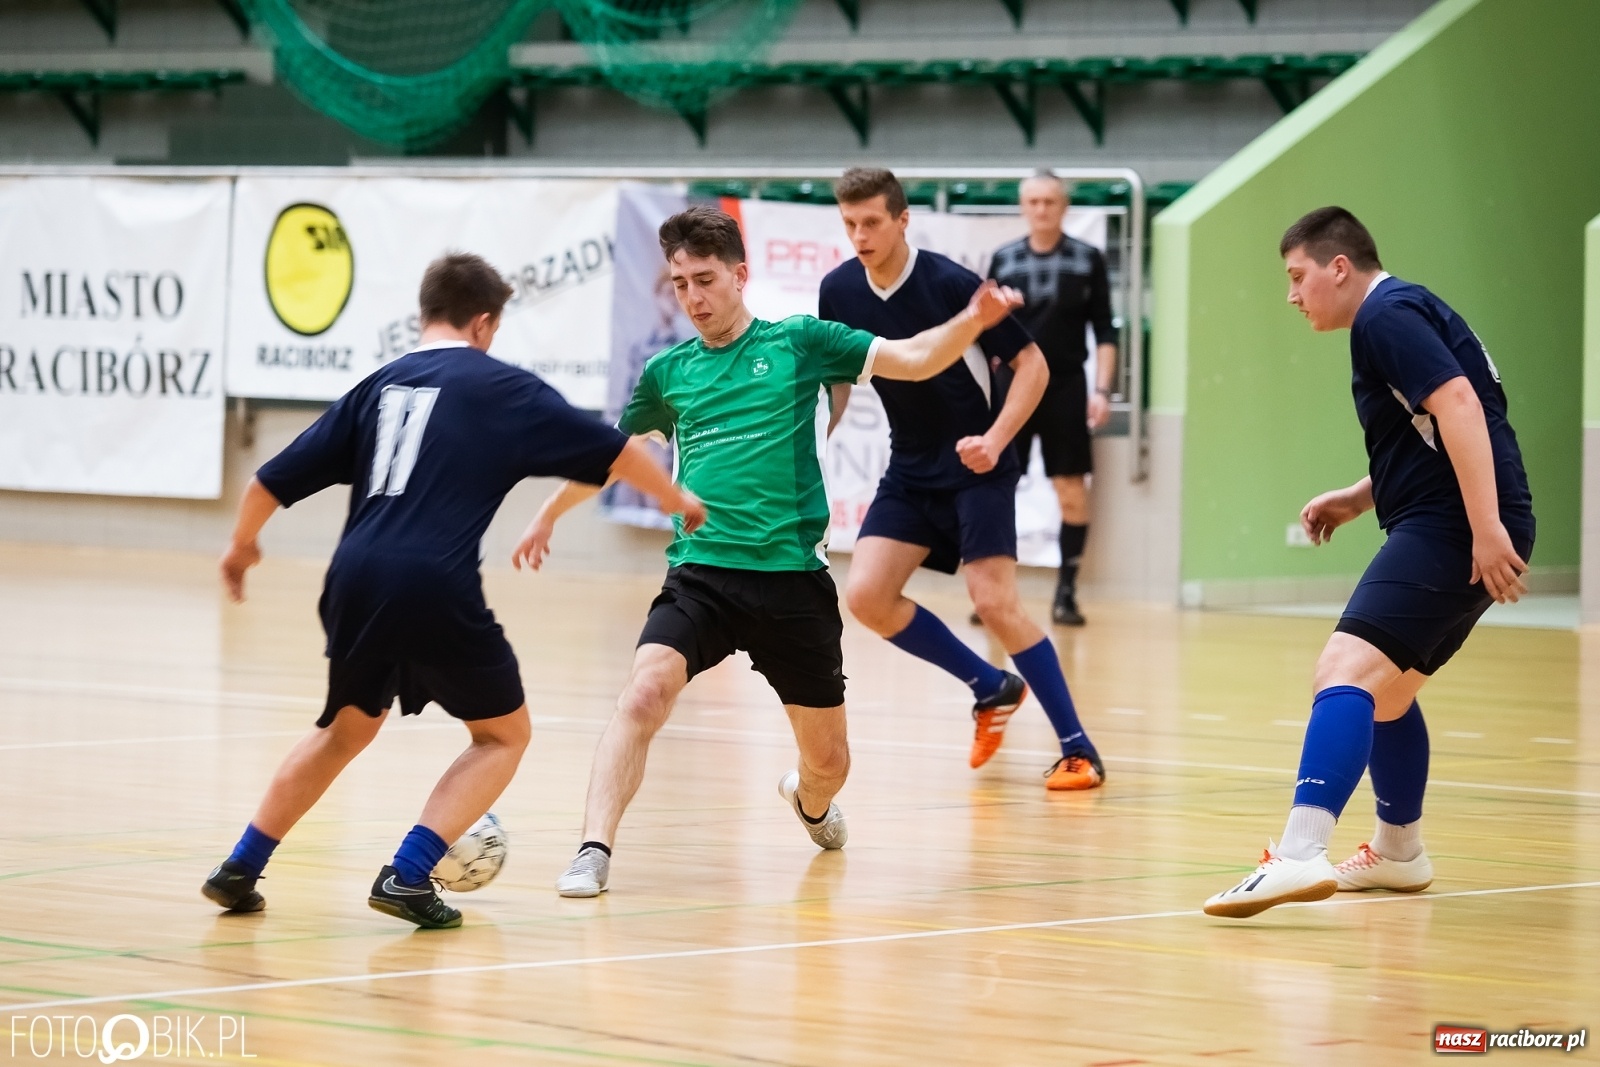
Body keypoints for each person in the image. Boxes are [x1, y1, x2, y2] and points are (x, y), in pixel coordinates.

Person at [522, 205, 1026, 897]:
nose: (694, 298)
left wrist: (972, 320)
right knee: (643, 693)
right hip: (701, 573)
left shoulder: (801, 342)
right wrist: (547, 514)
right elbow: (614, 457)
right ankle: (592, 849)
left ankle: (809, 802)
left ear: (740, 275)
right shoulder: (668, 373)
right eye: (680, 285)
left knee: (829, 763)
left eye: (705, 280)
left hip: (793, 584)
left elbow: (912, 358)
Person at [201, 252, 705, 929]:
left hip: (353, 576)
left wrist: (241, 546)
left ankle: (240, 866)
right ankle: (408, 874)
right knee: (503, 735)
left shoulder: (376, 387)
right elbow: (616, 452)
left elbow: (267, 480)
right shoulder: (502, 386)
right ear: (484, 323)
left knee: (344, 728)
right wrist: (677, 499)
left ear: (426, 313)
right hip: (432, 579)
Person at [1203, 207, 1534, 919]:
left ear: (1339, 267)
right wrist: (1359, 497)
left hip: (1452, 524)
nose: (1292, 295)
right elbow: (1432, 426)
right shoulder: (1401, 310)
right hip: (1455, 516)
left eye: (1298, 276)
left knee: (1344, 670)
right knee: (1386, 694)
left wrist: (1484, 528)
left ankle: (1299, 852)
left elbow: (1460, 405)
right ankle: (1399, 851)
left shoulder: (1384, 316)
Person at [822, 166, 1105, 791]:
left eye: (872, 222)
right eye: (850, 224)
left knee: (995, 603)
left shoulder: (952, 282)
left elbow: (1033, 365)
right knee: (866, 596)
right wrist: (814, 441)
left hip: (979, 467)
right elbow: (836, 382)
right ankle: (991, 686)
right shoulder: (838, 290)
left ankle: (1079, 749)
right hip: (909, 467)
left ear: (902, 220)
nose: (860, 236)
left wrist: (996, 439)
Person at [986, 169, 1119, 626]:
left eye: (1050, 201)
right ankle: (994, 593)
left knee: (1070, 490)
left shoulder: (1088, 259)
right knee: (998, 488)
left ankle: (1066, 594)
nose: (1041, 209)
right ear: (1023, 207)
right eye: (1034, 201)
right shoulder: (1004, 259)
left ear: (1064, 207)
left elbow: (1105, 330)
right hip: (1012, 387)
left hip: (1065, 386)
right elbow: (984, 329)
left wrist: (1101, 390)